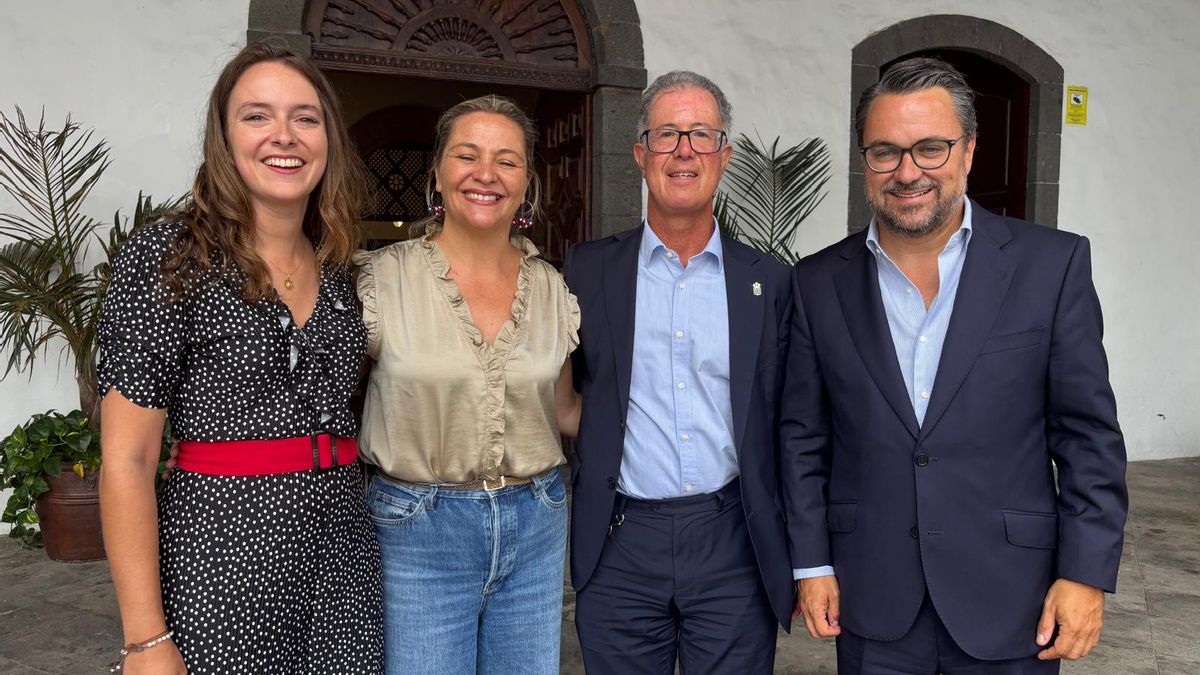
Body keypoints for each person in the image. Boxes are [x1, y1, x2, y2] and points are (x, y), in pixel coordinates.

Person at [783, 57, 1128, 674]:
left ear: (968, 151)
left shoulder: (1051, 267)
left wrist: (1086, 572)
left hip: (1013, 599)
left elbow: (1088, 438)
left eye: (930, 148)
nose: (907, 171)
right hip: (873, 597)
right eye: (885, 151)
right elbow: (804, 437)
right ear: (866, 163)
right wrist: (812, 564)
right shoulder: (816, 283)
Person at [98, 42, 383, 673]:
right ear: (223, 138)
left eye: (305, 118)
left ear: (328, 139)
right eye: (256, 115)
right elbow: (127, 457)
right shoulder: (169, 259)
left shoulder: (342, 270)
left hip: (342, 556)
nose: (284, 135)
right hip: (222, 558)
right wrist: (145, 638)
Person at [565, 71, 795, 674]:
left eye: (700, 134)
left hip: (731, 538)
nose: (684, 150)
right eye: (667, 134)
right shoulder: (588, 271)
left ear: (725, 155)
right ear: (641, 154)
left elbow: (789, 416)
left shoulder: (768, 283)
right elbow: (556, 389)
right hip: (620, 538)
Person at [353, 95, 580, 675]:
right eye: (467, 155)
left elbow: (564, 412)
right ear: (437, 173)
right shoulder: (378, 279)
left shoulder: (553, 288)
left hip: (536, 519)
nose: (486, 174)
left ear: (528, 182)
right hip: (417, 528)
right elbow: (330, 402)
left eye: (507, 160)